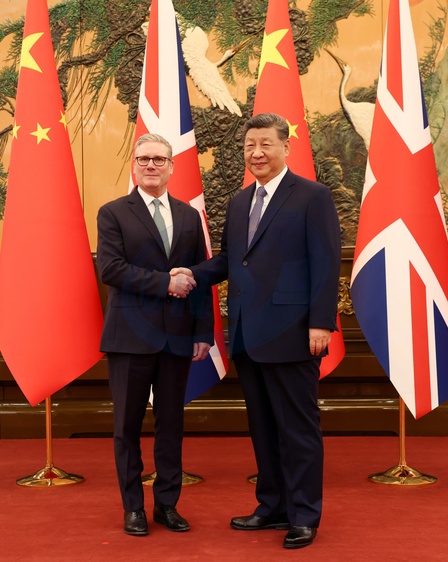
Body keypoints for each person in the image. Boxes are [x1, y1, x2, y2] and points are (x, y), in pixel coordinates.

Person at [173, 113, 341, 549]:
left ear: (286, 146)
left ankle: (304, 515)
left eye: (266, 144)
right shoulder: (239, 202)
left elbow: (326, 262)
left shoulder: (312, 196)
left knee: (298, 429)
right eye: (250, 146)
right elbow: (230, 260)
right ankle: (272, 506)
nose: (257, 153)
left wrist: (321, 322)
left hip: (295, 332)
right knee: (263, 427)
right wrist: (190, 274)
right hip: (248, 334)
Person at [97, 133, 213, 536]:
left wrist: (203, 332)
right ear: (134, 165)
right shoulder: (113, 212)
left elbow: (200, 276)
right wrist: (165, 283)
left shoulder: (188, 216)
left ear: (171, 166)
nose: (151, 165)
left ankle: (167, 504)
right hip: (129, 338)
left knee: (171, 426)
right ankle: (133, 507)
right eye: (144, 159)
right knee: (127, 427)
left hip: (177, 338)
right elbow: (110, 269)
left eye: (159, 159)